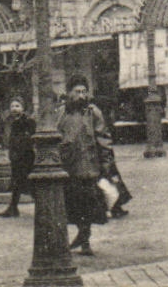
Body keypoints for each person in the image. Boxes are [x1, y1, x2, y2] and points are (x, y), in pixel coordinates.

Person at [56, 81, 109, 254]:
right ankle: (81, 235)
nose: (81, 96)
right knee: (72, 204)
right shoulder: (61, 113)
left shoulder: (93, 113)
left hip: (89, 166)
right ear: (69, 93)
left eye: (84, 91)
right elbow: (55, 135)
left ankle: (85, 240)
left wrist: (106, 163)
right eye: (77, 91)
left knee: (88, 204)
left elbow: (103, 138)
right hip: (68, 166)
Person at [0, 98, 37, 217]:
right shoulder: (11, 122)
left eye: (17, 106)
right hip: (17, 157)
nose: (14, 108)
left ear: (23, 108)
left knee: (26, 183)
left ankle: (15, 207)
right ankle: (13, 207)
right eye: (12, 106)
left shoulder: (27, 121)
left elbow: (29, 138)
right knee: (19, 183)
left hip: (25, 157)